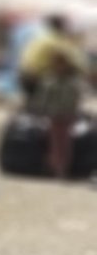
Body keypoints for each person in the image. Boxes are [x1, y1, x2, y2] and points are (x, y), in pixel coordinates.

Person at [26, 44, 88, 180]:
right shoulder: (50, 81)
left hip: (67, 116)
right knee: (55, 142)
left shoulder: (72, 82)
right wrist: (38, 110)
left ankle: (62, 168)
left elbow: (77, 99)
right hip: (54, 115)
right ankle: (55, 168)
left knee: (65, 143)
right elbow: (42, 98)